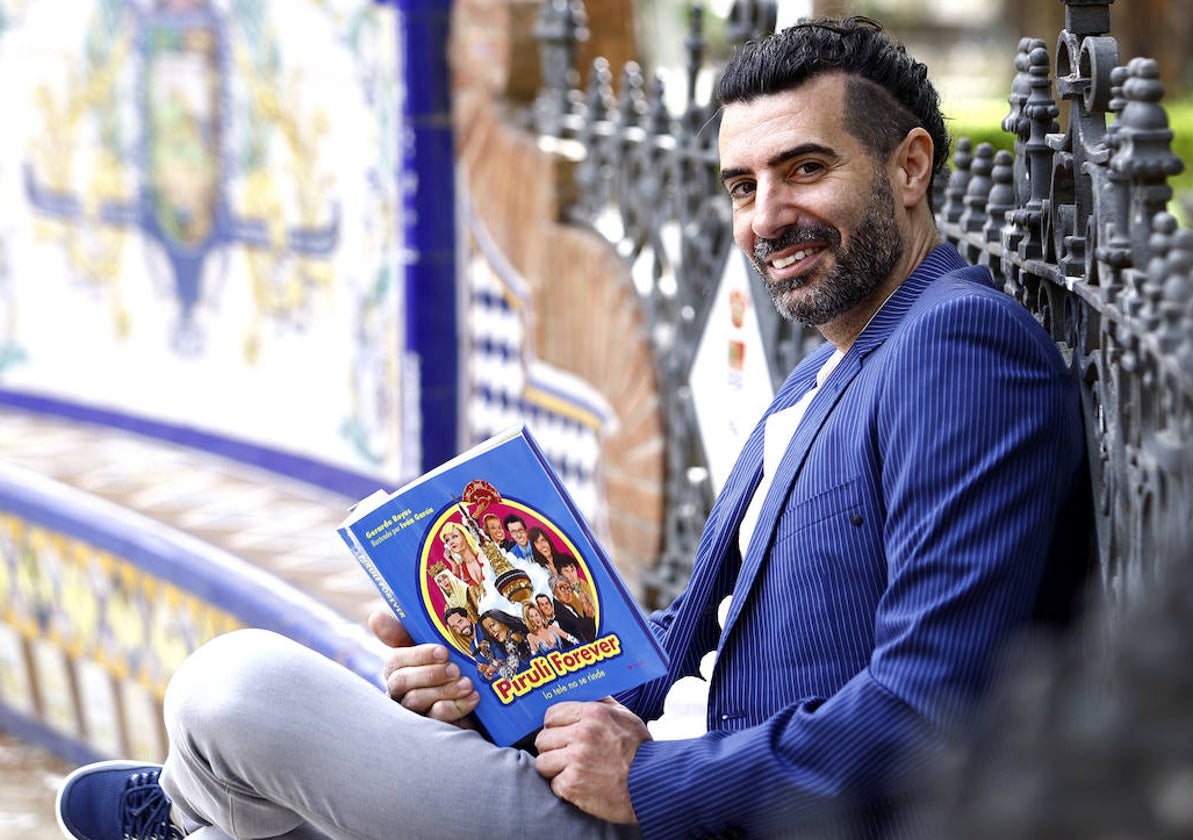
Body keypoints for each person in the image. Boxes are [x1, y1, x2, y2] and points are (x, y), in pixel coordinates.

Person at [55, 16, 1091, 840]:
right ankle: (215, 817)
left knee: (235, 688)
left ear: (909, 167)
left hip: (698, 816)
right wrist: (493, 678)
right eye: (743, 185)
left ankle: (205, 817)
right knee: (314, 673)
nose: (766, 215)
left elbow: (933, 707)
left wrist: (657, 783)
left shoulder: (959, 351)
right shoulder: (830, 367)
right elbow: (695, 666)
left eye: (806, 169)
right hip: (648, 767)